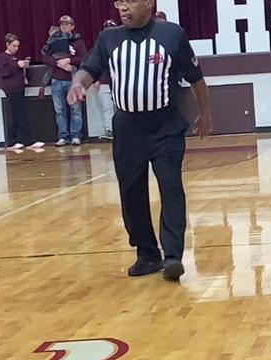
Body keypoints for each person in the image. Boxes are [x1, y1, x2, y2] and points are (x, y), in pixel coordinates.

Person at [68, 0, 212, 281]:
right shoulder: (109, 38)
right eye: (119, 2)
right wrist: (78, 83)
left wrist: (205, 113)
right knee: (131, 192)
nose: (123, 7)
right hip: (127, 128)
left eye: (130, 1)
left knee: (170, 187)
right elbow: (91, 68)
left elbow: (196, 78)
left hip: (165, 126)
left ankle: (172, 256)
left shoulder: (172, 35)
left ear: (149, 3)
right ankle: (147, 254)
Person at [41, 15, 87, 147]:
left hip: (73, 79)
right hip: (56, 79)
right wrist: (57, 64)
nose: (64, 26)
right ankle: (63, 136)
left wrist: (69, 61)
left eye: (67, 24)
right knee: (59, 110)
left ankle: (76, 135)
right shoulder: (53, 40)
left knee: (75, 109)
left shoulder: (77, 41)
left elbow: (83, 58)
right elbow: (44, 56)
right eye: (62, 24)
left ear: (72, 26)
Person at [0, 33, 44, 152]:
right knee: (18, 115)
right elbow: (4, 72)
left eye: (17, 46)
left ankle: (19, 140)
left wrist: (24, 67)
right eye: (14, 46)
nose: (16, 48)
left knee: (19, 115)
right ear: (7, 45)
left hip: (19, 88)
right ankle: (19, 141)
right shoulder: (2, 57)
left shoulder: (15, 58)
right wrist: (17, 66)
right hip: (11, 90)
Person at [93, 19, 118, 140]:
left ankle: (121, 130)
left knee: (121, 108)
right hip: (103, 81)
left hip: (118, 82)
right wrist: (96, 79)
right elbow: (94, 64)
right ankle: (109, 130)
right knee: (107, 107)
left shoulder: (121, 45)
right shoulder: (99, 47)